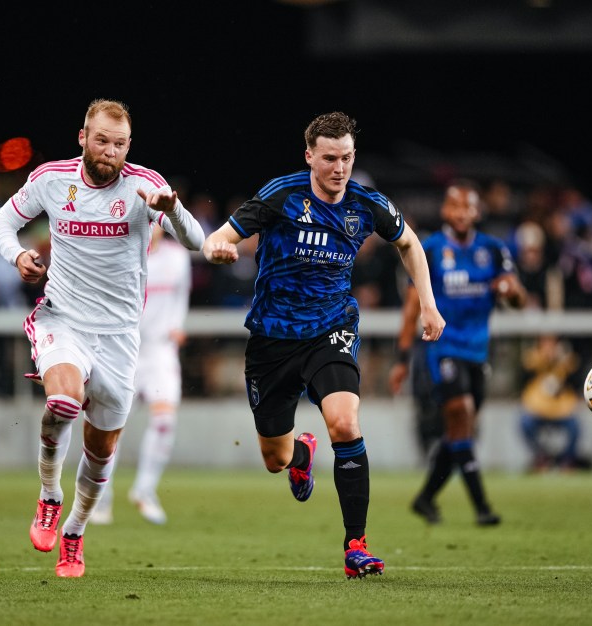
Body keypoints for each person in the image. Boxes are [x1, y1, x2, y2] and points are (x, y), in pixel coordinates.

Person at [202, 111, 445, 579]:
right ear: (309, 156)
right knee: (274, 458)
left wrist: (429, 305)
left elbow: (410, 244)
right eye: (330, 158)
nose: (340, 168)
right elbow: (219, 237)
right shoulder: (282, 194)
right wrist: (217, 249)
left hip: (331, 329)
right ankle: (300, 456)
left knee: (345, 423)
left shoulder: (366, 204)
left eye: (347, 158)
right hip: (273, 338)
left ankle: (356, 546)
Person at [0, 99, 204, 578]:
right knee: (63, 401)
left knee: (101, 451)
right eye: (102, 140)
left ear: (129, 146)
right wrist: (17, 255)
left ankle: (75, 533)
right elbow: (2, 223)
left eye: (119, 144)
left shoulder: (145, 186)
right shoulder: (51, 178)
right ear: (83, 137)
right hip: (63, 319)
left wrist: (173, 209)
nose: (110, 151)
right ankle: (49, 496)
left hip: (121, 337)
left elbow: (196, 242)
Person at [389, 179, 526, 526]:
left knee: (459, 432)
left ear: (478, 212)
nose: (462, 213)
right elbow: (411, 308)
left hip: (478, 352)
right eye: (455, 206)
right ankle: (482, 508)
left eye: (468, 206)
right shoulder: (430, 249)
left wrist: (510, 291)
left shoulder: (493, 249)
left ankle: (425, 498)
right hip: (442, 348)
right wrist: (402, 359)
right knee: (461, 414)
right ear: (445, 210)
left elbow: (518, 300)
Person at [91, 224, 193, 525]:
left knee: (164, 422)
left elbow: (181, 296)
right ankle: (100, 498)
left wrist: (177, 324)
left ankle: (145, 491)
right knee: (110, 428)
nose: (152, 228)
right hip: (124, 351)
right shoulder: (119, 254)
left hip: (160, 350)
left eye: (156, 222)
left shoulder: (178, 258)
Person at [517, 334, 583, 472]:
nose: (548, 346)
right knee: (525, 423)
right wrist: (544, 359)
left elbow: (575, 378)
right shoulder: (533, 357)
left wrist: (561, 360)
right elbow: (524, 374)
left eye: (552, 342)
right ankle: (541, 457)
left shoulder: (566, 359)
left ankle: (566, 460)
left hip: (560, 410)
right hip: (538, 409)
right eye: (545, 342)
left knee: (575, 426)